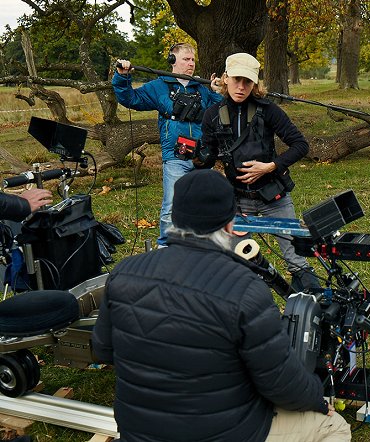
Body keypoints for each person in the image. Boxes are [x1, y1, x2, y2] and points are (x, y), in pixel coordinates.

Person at [91, 169, 351, 442]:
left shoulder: (124, 271)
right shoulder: (245, 288)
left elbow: (102, 350)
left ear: (175, 217)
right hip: (224, 432)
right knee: (335, 428)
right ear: (230, 224)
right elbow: (280, 383)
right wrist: (318, 401)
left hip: (140, 431)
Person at [200, 52, 318, 290]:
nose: (241, 87)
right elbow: (207, 157)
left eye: (248, 81)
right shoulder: (213, 114)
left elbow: (300, 145)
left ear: (255, 83)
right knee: (241, 260)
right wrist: (195, 159)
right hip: (236, 200)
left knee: (297, 259)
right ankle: (253, 307)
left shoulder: (268, 110)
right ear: (225, 78)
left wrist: (270, 166)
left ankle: (313, 306)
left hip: (272, 195)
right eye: (236, 80)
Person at [113, 43, 222, 247]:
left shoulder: (202, 89)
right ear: (172, 61)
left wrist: (216, 91)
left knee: (201, 204)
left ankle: (198, 245)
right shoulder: (157, 87)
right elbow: (130, 98)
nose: (191, 63)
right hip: (175, 156)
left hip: (201, 156)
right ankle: (166, 246)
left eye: (192, 60)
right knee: (172, 204)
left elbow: (220, 112)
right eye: (186, 59)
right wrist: (122, 76)